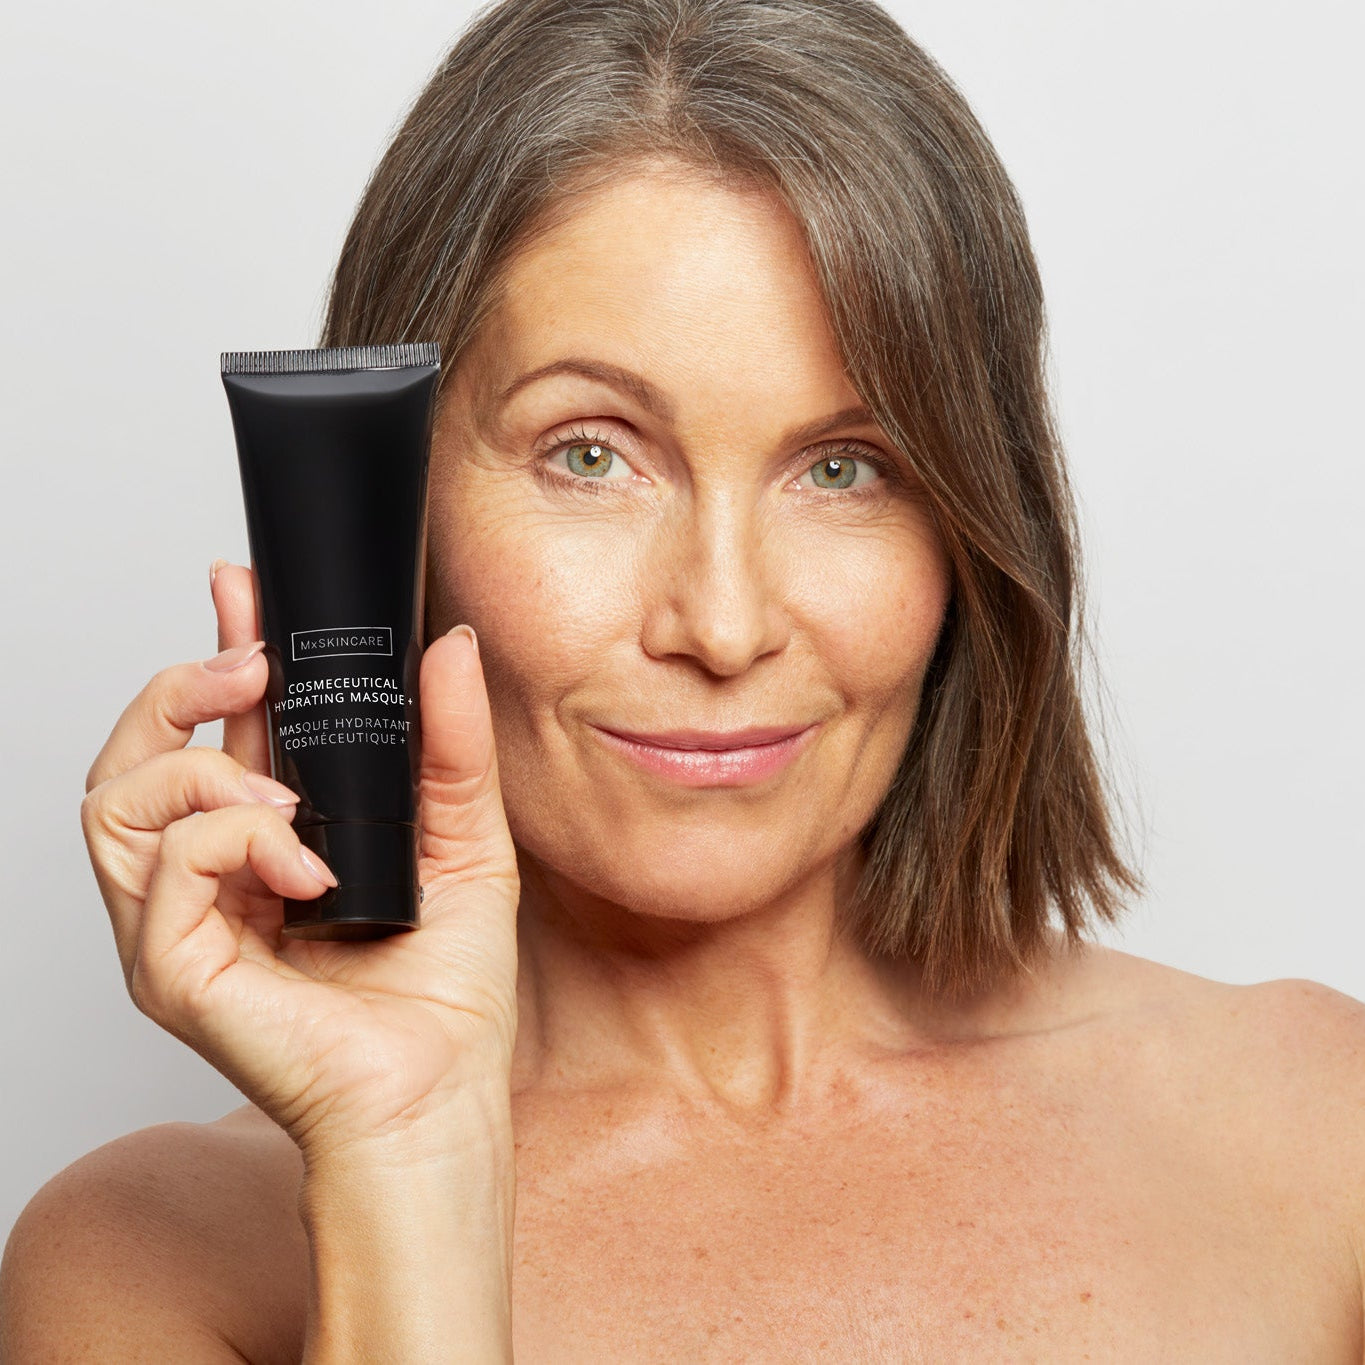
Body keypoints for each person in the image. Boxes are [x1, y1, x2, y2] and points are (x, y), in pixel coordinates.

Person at [4, 0, 1363, 1358]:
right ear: (394, 501)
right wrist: (404, 1153)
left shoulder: (1312, 1137)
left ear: (971, 528)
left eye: (844, 466)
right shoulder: (149, 1261)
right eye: (589, 454)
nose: (720, 624)